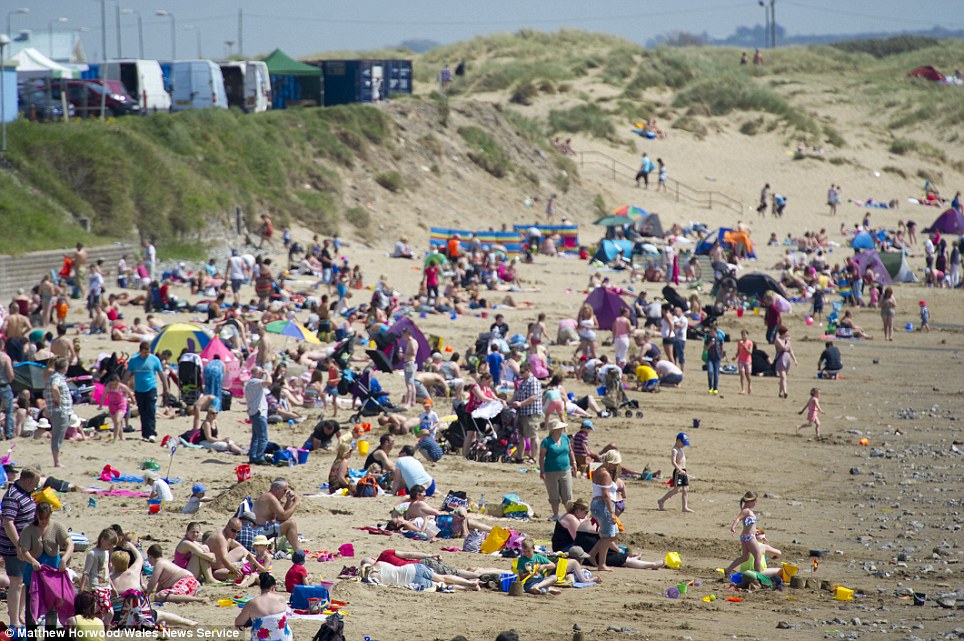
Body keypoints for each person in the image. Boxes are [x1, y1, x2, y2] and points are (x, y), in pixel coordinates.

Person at [1, 468, 39, 628]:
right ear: (28, 481)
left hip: (27, 545)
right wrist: (19, 545)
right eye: (35, 483)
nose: (36, 486)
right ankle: (14, 620)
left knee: (26, 582)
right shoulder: (12, 496)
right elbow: (8, 522)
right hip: (13, 547)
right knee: (16, 582)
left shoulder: (25, 493)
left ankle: (18, 614)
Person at [125, 341, 168, 443]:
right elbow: (127, 374)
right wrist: (123, 386)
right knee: (142, 411)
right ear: (140, 351)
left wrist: (166, 388)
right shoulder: (134, 360)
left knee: (151, 410)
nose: (146, 355)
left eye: (148, 352)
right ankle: (145, 434)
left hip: (151, 388)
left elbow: (161, 374)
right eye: (145, 353)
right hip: (139, 389)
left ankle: (152, 433)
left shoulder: (154, 359)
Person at [587, 450, 620, 572]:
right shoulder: (604, 474)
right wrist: (611, 512)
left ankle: (592, 554)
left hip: (600, 504)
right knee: (608, 536)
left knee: (613, 534)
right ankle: (602, 564)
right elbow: (606, 495)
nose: (616, 466)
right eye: (615, 463)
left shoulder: (599, 470)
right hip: (603, 505)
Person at [234, 574, 292, 641]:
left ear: (260, 586)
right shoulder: (281, 599)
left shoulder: (252, 603)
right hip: (284, 638)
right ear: (273, 587)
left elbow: (238, 623)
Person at [79, 528, 118, 627]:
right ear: (102, 540)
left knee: (99, 615)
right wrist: (81, 589)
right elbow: (86, 572)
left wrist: (112, 587)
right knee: (110, 612)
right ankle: (104, 635)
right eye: (108, 544)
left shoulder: (106, 552)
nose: (109, 547)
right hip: (96, 587)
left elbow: (107, 571)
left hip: (106, 586)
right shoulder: (93, 553)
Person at [539, 420, 576, 521]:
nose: (562, 429)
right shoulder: (546, 442)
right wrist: (542, 471)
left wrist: (574, 463)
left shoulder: (565, 438)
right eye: (560, 428)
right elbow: (541, 457)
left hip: (565, 470)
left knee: (567, 494)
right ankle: (556, 514)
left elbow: (570, 451)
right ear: (555, 430)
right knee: (553, 494)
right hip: (550, 471)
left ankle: (571, 515)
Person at [252, 478, 302, 552]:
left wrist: (288, 501)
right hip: (259, 531)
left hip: (262, 529)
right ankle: (299, 553)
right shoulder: (270, 498)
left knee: (288, 523)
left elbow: (279, 517)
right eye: (284, 490)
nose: (285, 493)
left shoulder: (269, 497)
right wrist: (296, 503)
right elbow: (283, 516)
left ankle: (297, 552)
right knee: (291, 524)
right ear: (278, 489)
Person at [725, 491, 764, 574]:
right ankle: (759, 575)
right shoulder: (746, 511)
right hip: (749, 537)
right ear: (750, 500)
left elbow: (748, 524)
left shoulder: (747, 510)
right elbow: (738, 519)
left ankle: (728, 570)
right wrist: (733, 527)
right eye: (755, 501)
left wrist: (755, 530)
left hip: (746, 536)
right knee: (757, 555)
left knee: (745, 557)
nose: (756, 503)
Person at [43, 358, 72, 468]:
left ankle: (57, 460)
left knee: (58, 435)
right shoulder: (56, 377)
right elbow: (54, 388)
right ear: (65, 368)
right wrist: (58, 400)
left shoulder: (55, 377)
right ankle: (57, 462)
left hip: (59, 410)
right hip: (60, 410)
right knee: (58, 436)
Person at [512, 363, 543, 464]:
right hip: (522, 413)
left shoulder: (533, 381)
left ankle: (533, 457)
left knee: (533, 436)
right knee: (520, 436)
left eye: (522, 372)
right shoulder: (523, 382)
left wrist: (520, 404)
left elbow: (534, 397)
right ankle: (520, 457)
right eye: (519, 372)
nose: (520, 374)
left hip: (531, 413)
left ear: (529, 370)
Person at [657, 433, 693, 513]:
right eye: (683, 443)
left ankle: (685, 507)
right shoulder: (674, 450)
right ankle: (661, 500)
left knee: (686, 489)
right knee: (677, 490)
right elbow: (673, 462)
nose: (684, 445)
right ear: (678, 441)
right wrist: (680, 470)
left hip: (683, 471)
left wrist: (683, 470)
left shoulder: (681, 449)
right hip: (678, 472)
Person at [244, 367, 271, 465]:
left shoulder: (251, 383)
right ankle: (259, 457)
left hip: (254, 411)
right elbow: (269, 382)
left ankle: (253, 456)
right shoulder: (254, 382)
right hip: (258, 412)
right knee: (263, 437)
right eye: (260, 372)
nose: (261, 374)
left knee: (256, 437)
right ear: (256, 373)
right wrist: (267, 373)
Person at [773, 326, 797, 399]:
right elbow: (784, 348)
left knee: (783, 377)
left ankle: (780, 392)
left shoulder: (787, 340)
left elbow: (790, 350)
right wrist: (787, 342)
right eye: (786, 332)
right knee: (783, 377)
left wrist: (795, 360)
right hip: (780, 359)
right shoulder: (778, 340)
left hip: (787, 359)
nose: (788, 333)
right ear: (783, 332)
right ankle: (785, 392)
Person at [401, 327, 418, 409]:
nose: (403, 337)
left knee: (409, 384)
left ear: (407, 334)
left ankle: (408, 402)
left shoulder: (411, 342)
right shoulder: (413, 341)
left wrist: (403, 355)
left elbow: (413, 353)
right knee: (412, 383)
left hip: (410, 363)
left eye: (403, 335)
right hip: (412, 363)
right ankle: (413, 401)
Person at [703, 326, 724, 395]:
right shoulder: (708, 338)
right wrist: (710, 344)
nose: (711, 333)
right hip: (710, 358)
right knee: (710, 372)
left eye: (712, 331)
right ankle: (710, 387)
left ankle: (715, 388)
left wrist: (721, 356)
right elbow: (705, 348)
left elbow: (721, 348)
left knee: (716, 374)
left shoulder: (719, 339)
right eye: (710, 331)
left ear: (715, 331)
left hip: (717, 358)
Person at [0, 342, 14, 440]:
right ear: (2, 346)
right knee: (9, 411)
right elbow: (11, 374)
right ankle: (9, 433)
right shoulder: (5, 357)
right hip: (4, 385)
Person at [736, 329, 754, 395]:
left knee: (748, 375)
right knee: (742, 375)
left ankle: (750, 385)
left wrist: (745, 347)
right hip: (740, 360)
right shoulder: (739, 342)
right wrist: (735, 357)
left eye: (744, 335)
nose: (743, 336)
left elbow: (750, 352)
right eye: (742, 335)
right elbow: (738, 351)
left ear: (747, 335)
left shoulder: (750, 343)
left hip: (747, 360)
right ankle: (743, 389)